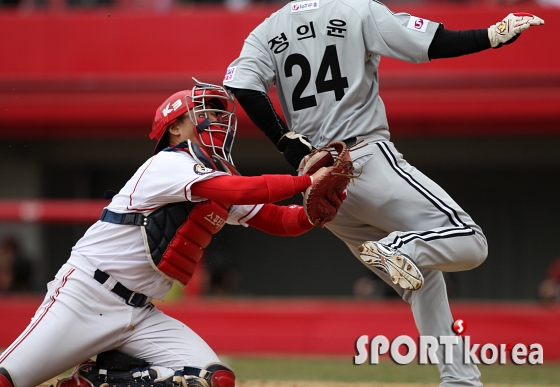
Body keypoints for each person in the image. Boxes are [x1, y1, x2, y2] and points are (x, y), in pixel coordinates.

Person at [222, 4, 544, 386]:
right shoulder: (357, 10)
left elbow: (241, 84)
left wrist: (285, 141)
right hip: (364, 158)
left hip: (319, 178)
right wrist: (491, 36)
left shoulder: (267, 27)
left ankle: (459, 378)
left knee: (422, 279)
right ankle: (403, 249)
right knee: (471, 242)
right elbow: (431, 43)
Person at [0, 81, 339, 387]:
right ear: (175, 127)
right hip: (86, 296)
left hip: (140, 312)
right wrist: (307, 181)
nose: (218, 120)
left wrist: (313, 213)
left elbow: (279, 221)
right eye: (205, 114)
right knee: (7, 379)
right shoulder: (168, 163)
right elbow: (238, 190)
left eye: (221, 114)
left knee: (215, 380)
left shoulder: (213, 172)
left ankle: (94, 381)